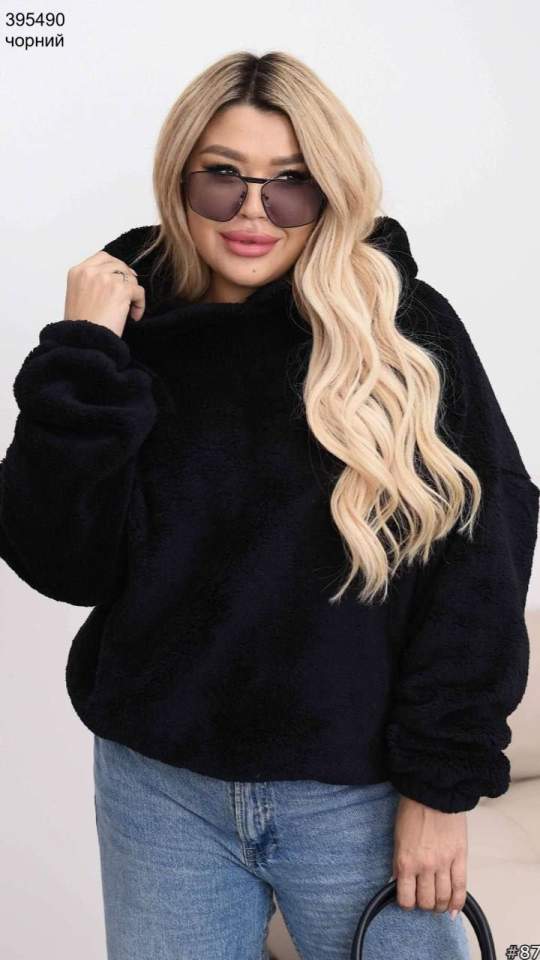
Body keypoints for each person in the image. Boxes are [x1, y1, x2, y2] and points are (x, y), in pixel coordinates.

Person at [1, 50, 538, 960]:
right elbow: (62, 563)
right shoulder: (128, 333)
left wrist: (440, 787)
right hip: (158, 792)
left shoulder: (400, 329)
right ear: (180, 179)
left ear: (330, 193)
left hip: (359, 796)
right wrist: (85, 352)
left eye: (291, 183)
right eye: (224, 177)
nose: (254, 211)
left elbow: (484, 557)